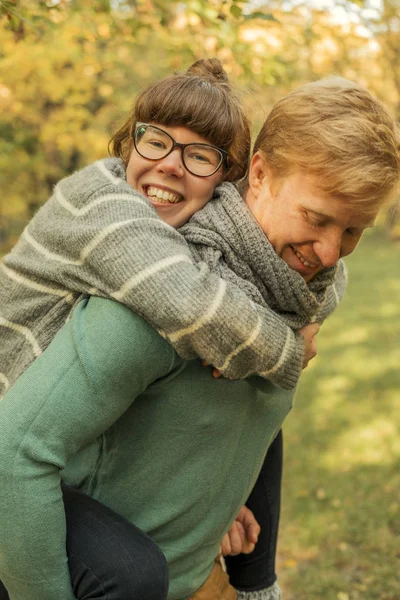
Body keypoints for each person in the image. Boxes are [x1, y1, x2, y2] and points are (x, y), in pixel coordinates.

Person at [0, 74, 398, 600]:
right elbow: (14, 455)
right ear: (259, 173)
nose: (329, 255)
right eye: (316, 219)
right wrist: (283, 349)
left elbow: (243, 417)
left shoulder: (289, 292)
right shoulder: (152, 293)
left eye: (352, 232)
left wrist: (215, 500)